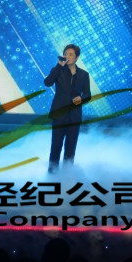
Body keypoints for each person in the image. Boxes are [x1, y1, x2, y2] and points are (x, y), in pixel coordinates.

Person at [44, 44, 91, 172]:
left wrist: (82, 98)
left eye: (71, 54)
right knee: (56, 147)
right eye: (65, 54)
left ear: (77, 57)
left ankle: (67, 174)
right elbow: (47, 82)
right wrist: (59, 65)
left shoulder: (84, 75)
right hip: (59, 114)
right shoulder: (58, 70)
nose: (67, 56)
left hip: (74, 116)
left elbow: (88, 95)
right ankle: (52, 174)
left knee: (70, 148)